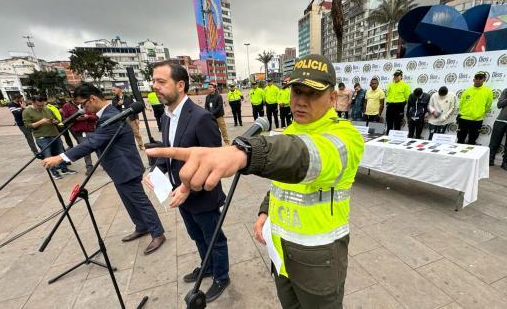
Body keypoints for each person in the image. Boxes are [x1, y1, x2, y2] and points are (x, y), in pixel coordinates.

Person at [146, 53, 364, 308]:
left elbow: (302, 156)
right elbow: (283, 183)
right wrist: (265, 211)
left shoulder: (346, 135)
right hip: (281, 251)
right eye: (296, 92)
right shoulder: (291, 130)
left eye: (312, 93)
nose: (301, 101)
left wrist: (246, 152)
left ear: (332, 97)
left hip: (319, 256)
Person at [42, 83, 166, 255]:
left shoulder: (111, 116)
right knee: (128, 201)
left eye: (83, 104)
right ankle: (142, 226)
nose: (82, 108)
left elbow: (93, 142)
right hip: (117, 168)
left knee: (140, 201)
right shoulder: (105, 115)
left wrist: (61, 157)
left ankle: (157, 233)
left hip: (126, 167)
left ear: (92, 98)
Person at [143, 60, 230, 302]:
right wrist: (155, 171)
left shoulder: (201, 117)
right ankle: (208, 267)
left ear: (180, 85)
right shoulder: (166, 117)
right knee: (196, 235)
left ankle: (222, 276)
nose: (155, 87)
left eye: (161, 82)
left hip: (201, 193)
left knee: (214, 239)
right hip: (180, 195)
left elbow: (213, 162)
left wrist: (186, 187)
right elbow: (168, 151)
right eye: (153, 82)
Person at [23, 95, 76, 180]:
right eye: (38, 105)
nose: (41, 107)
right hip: (42, 137)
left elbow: (57, 119)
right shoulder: (27, 111)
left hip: (54, 134)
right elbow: (27, 126)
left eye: (42, 105)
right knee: (48, 155)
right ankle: (54, 172)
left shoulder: (47, 109)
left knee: (61, 153)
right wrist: (41, 122)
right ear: (33, 103)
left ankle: (64, 169)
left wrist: (54, 121)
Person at [61, 98, 98, 175]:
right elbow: (65, 120)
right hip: (80, 132)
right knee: (86, 150)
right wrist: (75, 119)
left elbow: (95, 117)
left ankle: (104, 163)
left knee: (99, 147)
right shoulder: (67, 106)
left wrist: (88, 117)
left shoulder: (87, 103)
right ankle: (89, 168)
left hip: (92, 129)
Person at [457, 71, 493, 145]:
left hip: (477, 120)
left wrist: (480, 113)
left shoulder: (488, 91)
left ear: (484, 80)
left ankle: (470, 155)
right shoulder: (467, 90)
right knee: (460, 139)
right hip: (463, 118)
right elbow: (461, 103)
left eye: (480, 78)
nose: (478, 80)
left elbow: (488, 105)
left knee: (472, 140)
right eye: (476, 78)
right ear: (474, 80)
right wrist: (462, 113)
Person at [112, 86, 145, 150]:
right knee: (125, 134)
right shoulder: (114, 99)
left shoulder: (128, 97)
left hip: (130, 117)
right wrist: (118, 104)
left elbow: (134, 108)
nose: (113, 92)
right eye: (112, 90)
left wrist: (136, 118)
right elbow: (114, 110)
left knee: (136, 132)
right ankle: (130, 147)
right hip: (121, 119)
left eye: (114, 90)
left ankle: (141, 145)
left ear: (119, 89)